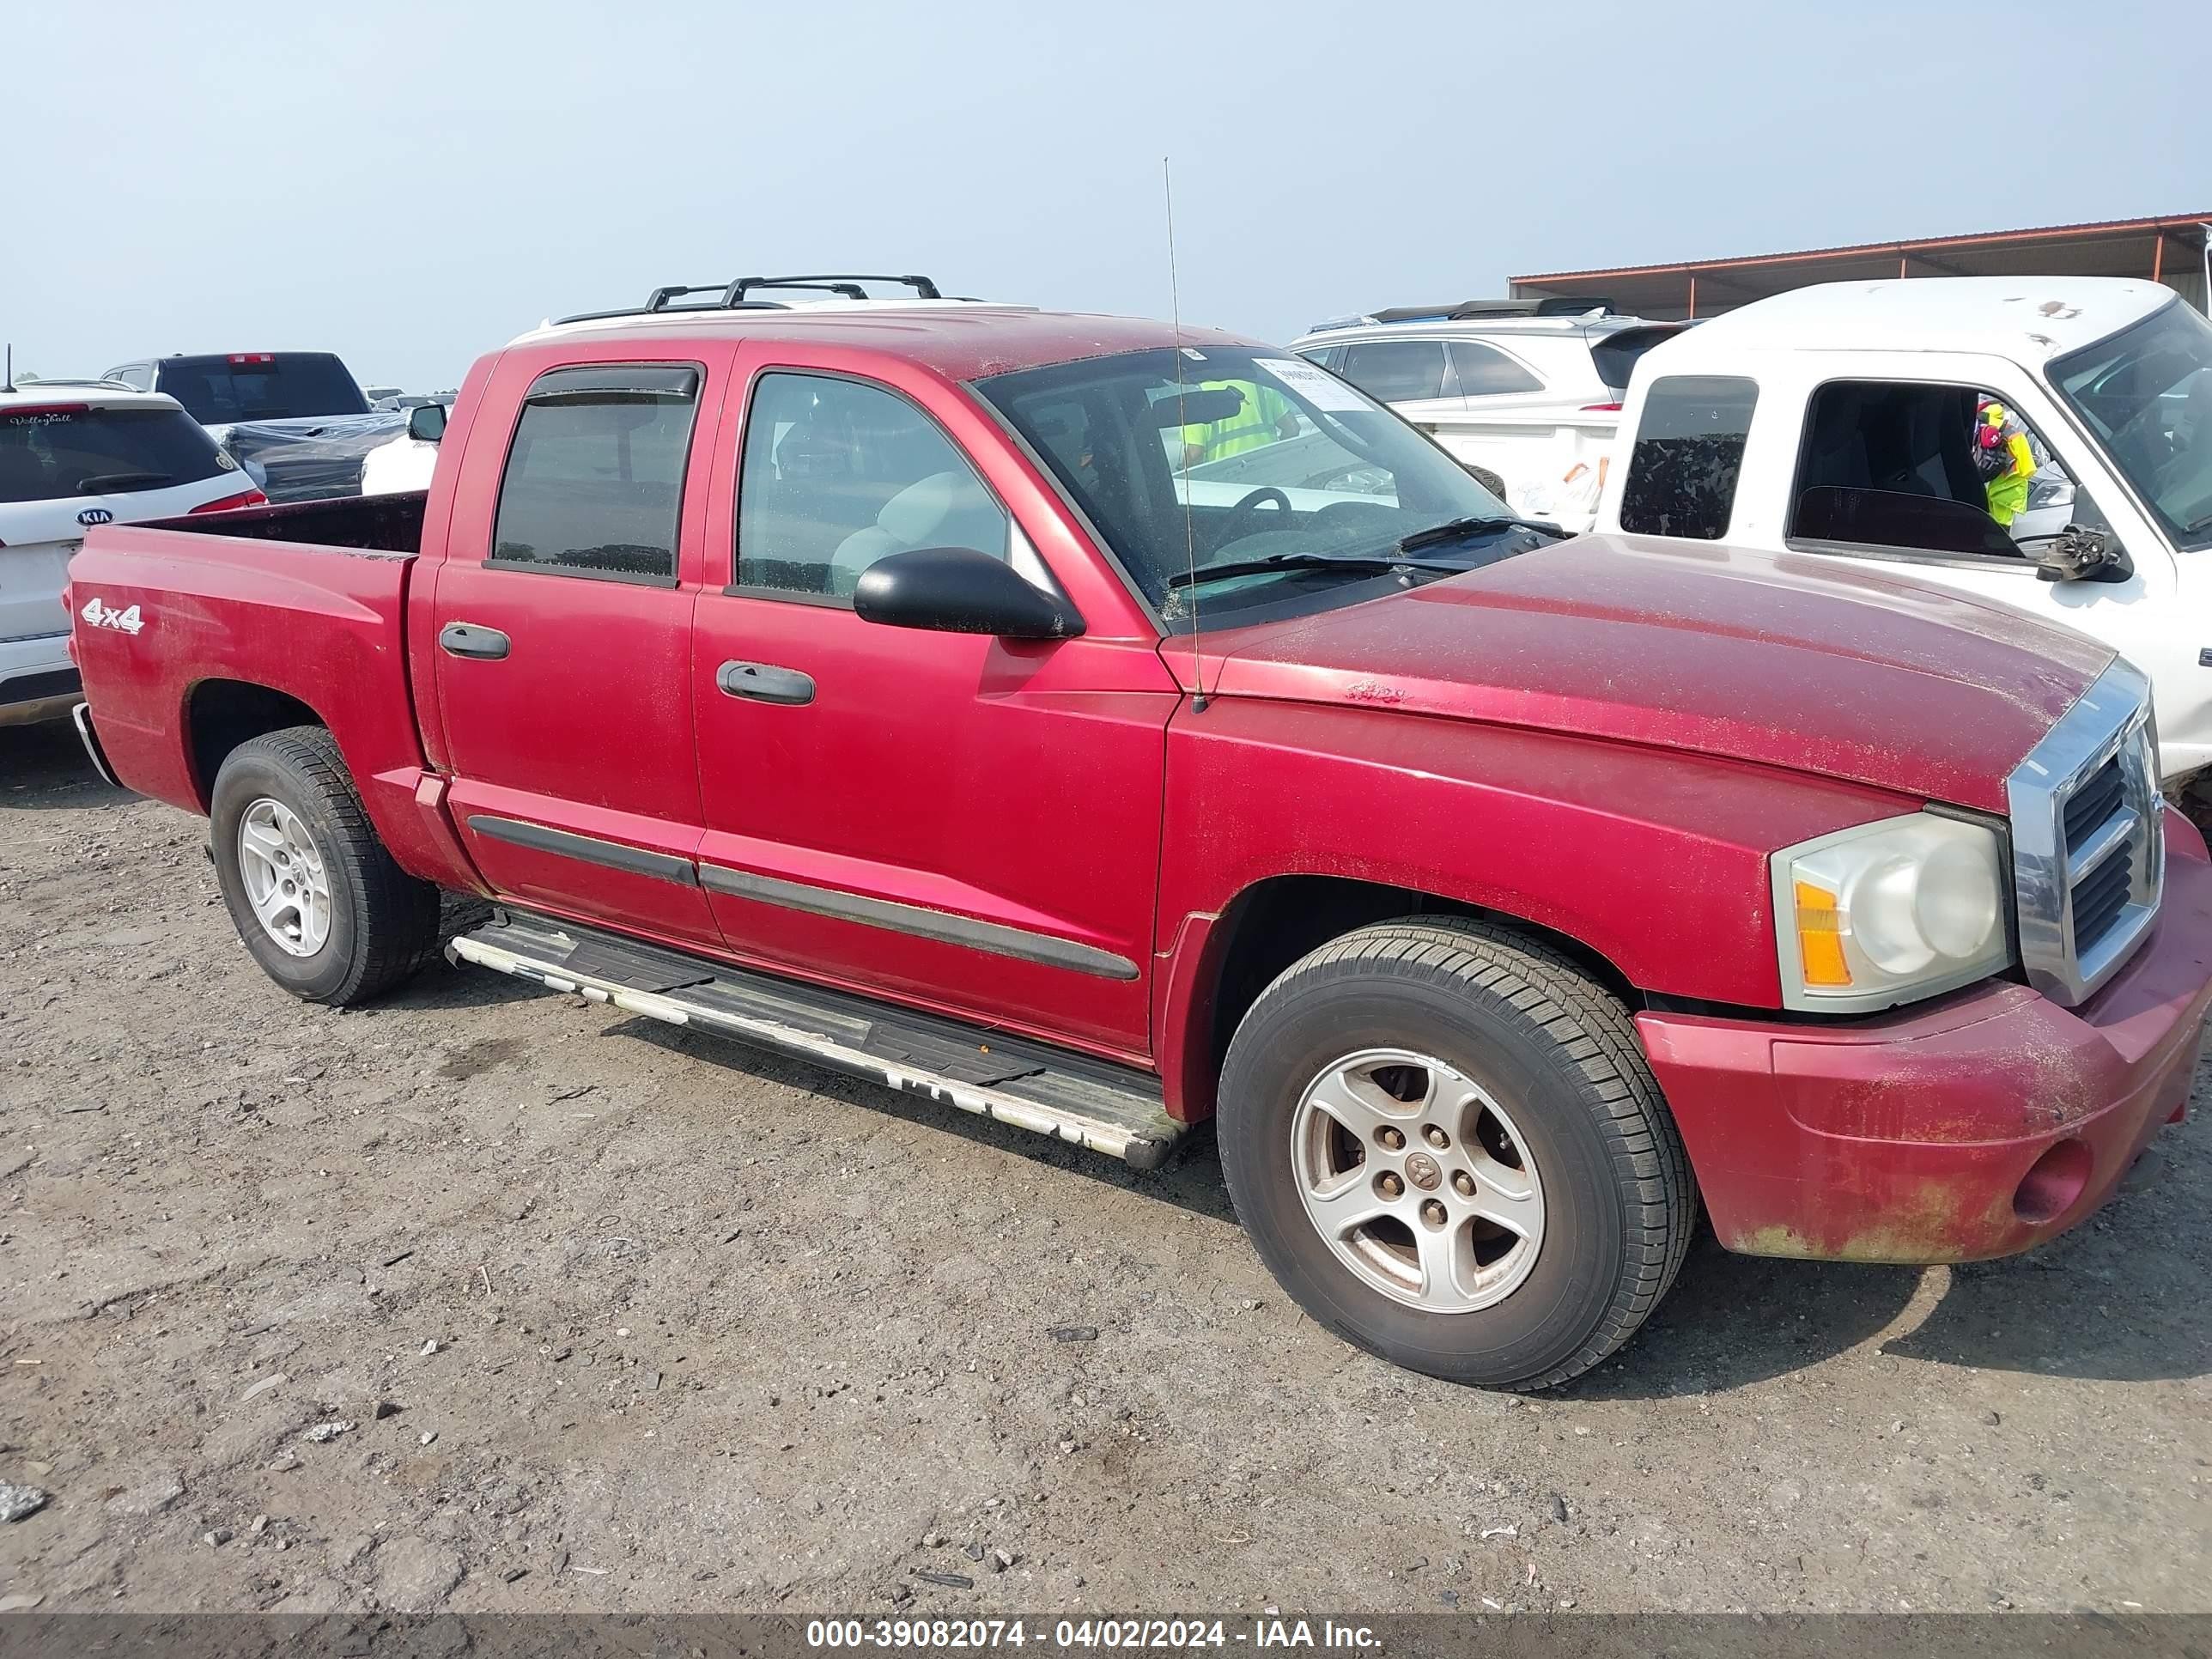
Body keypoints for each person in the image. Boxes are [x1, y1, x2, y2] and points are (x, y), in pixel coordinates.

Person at [1179, 379, 1301, 469]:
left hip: (1225, 479)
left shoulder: (1199, 396)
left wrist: (1179, 477)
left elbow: (1194, 454)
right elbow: (1293, 428)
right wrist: (1277, 457)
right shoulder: (1261, 387)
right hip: (1269, 470)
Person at [1974, 398, 2037, 527]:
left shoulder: (1979, 427)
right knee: (2003, 526)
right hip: (2009, 487)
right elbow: (2028, 468)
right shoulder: (2015, 433)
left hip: (1986, 480)